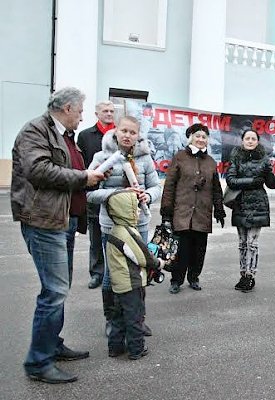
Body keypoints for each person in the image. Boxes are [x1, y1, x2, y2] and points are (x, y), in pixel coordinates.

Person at [11, 87, 106, 383]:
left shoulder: (64, 136)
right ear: (67, 108)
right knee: (53, 292)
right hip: (43, 221)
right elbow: (39, 170)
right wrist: (83, 177)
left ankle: (52, 344)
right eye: (79, 112)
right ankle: (38, 363)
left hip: (62, 220)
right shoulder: (35, 131)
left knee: (58, 290)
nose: (81, 117)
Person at [87, 116, 162, 338]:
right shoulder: (101, 157)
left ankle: (137, 320)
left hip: (139, 224)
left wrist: (147, 196)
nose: (128, 136)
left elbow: (156, 186)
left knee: (140, 272)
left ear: (138, 135)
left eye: (132, 132)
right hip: (111, 226)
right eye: (124, 131)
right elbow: (89, 193)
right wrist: (119, 196)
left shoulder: (146, 159)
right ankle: (113, 321)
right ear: (116, 131)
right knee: (112, 275)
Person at [160, 123, 227, 294]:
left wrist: (219, 209)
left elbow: (216, 188)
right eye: (197, 136)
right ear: (191, 137)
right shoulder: (180, 157)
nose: (201, 139)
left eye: (204, 137)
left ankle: (194, 277)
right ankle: (176, 280)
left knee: (199, 249)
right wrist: (166, 212)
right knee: (181, 249)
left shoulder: (211, 162)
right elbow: (170, 185)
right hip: (182, 212)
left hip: (202, 213)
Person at [225, 128, 275, 292]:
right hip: (240, 204)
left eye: (253, 138)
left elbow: (270, 183)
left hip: (258, 205)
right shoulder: (236, 158)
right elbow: (231, 180)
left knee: (252, 244)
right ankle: (242, 274)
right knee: (242, 244)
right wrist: (252, 181)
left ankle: (250, 276)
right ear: (243, 140)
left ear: (257, 141)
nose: (250, 141)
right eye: (248, 138)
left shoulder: (264, 160)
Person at [105, 191, 164, 360]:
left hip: (119, 284)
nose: (139, 211)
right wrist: (159, 263)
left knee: (118, 317)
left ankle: (115, 347)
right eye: (135, 208)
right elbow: (143, 256)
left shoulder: (115, 230)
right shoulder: (127, 233)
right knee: (134, 317)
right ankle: (136, 349)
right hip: (131, 283)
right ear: (125, 211)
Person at [77, 100, 116, 289]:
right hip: (94, 195)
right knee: (96, 238)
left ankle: (115, 272)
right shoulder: (85, 136)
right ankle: (97, 273)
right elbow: (80, 165)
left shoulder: (121, 135)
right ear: (97, 114)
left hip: (117, 196)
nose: (109, 114)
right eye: (105, 111)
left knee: (117, 238)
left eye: (111, 111)